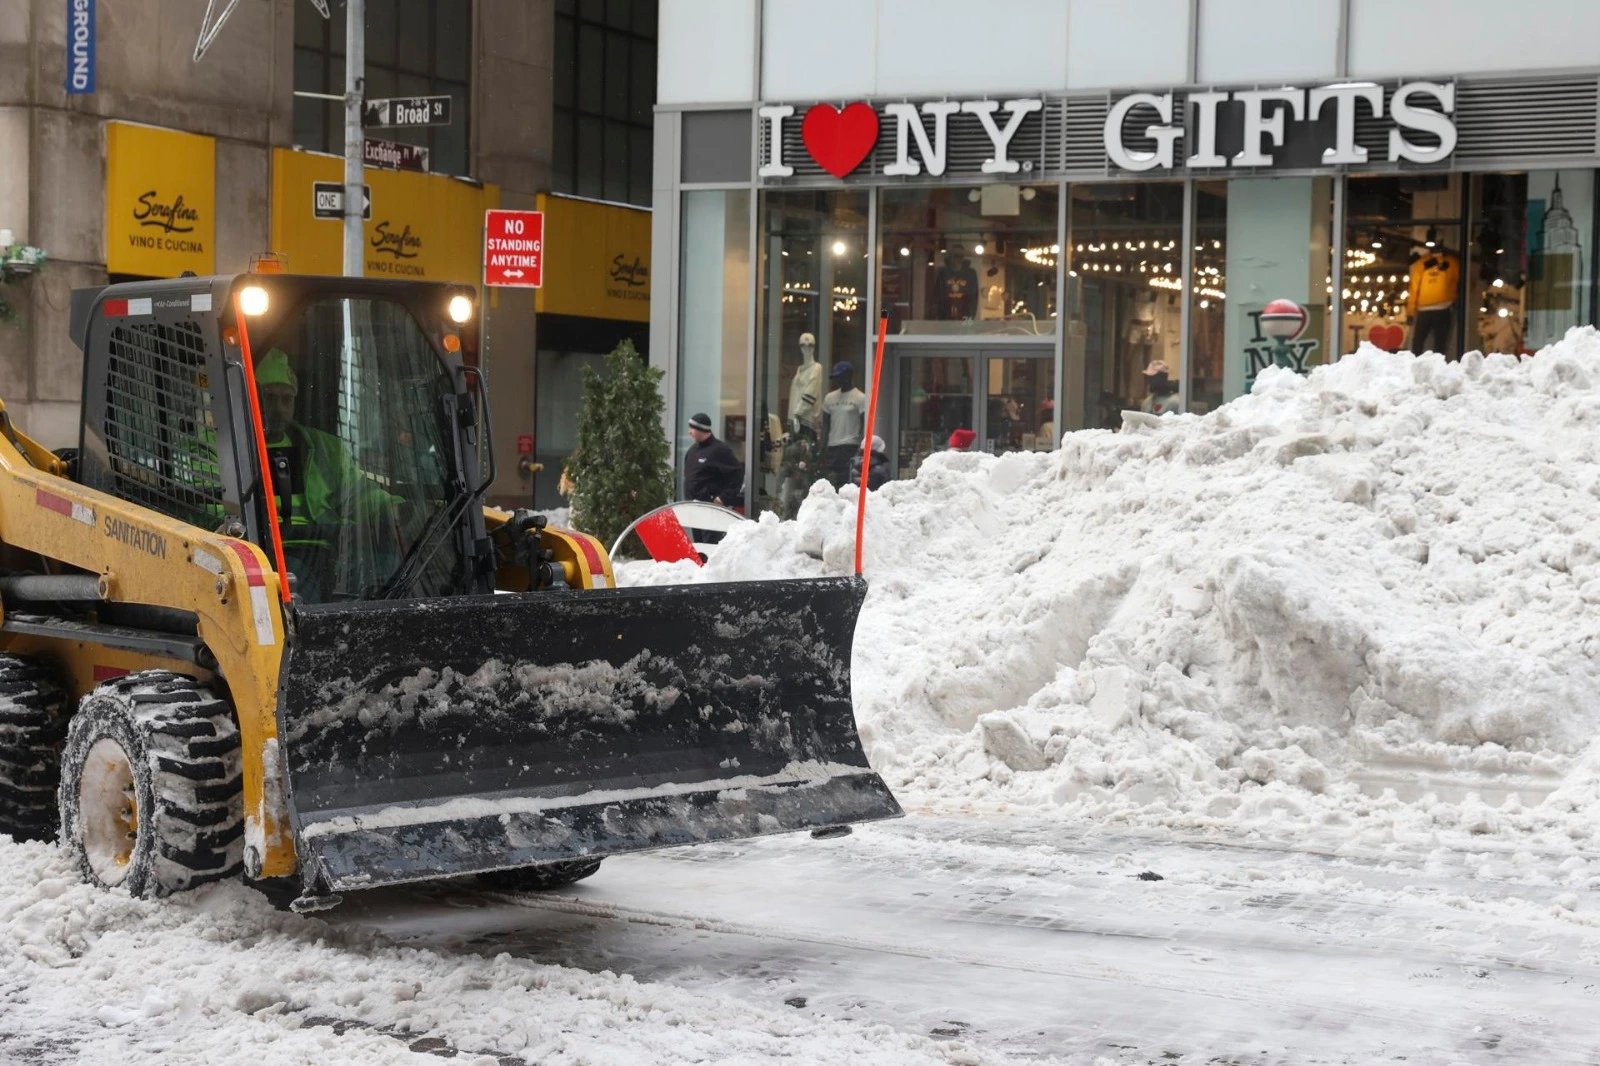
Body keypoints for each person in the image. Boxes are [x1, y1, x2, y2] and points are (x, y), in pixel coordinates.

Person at [255, 348, 395, 600]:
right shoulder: (219, 448)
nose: (278, 408)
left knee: (390, 570)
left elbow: (357, 494)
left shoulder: (323, 449)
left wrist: (394, 508)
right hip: (267, 553)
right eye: (269, 397)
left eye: (286, 399)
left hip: (329, 549)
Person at [821, 361, 868, 487]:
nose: (838, 381)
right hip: (833, 446)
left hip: (850, 445)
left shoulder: (860, 398)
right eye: (836, 378)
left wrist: (862, 448)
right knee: (831, 482)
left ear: (848, 376)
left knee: (847, 481)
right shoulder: (829, 398)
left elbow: (865, 424)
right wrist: (823, 447)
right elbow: (826, 424)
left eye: (840, 377)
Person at [684, 412, 743, 508]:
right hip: (692, 507)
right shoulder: (692, 451)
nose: (689, 432)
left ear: (702, 429)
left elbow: (737, 473)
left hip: (711, 508)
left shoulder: (720, 450)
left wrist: (724, 498)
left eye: (692, 428)